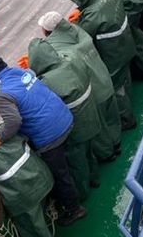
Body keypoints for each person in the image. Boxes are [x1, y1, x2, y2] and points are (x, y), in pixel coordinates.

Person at [0, 56, 86, 226]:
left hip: (49, 135)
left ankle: (74, 210)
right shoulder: (19, 71)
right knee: (71, 160)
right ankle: (88, 184)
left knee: (60, 175)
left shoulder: (0, 94)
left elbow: (13, 122)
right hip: (65, 117)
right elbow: (31, 73)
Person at [59, 0, 137, 130]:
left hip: (112, 53)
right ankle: (130, 99)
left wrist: (76, 22)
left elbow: (80, 35)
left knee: (116, 86)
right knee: (125, 77)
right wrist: (82, 12)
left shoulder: (93, 15)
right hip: (125, 43)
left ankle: (126, 120)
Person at [38, 11, 121, 161]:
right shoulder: (77, 30)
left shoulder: (56, 49)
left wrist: (39, 60)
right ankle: (117, 143)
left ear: (48, 31)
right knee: (112, 117)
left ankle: (109, 155)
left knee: (100, 129)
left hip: (94, 91)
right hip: (104, 78)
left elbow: (62, 68)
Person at [26, 35, 101, 199]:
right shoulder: (70, 61)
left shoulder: (46, 81)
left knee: (77, 160)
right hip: (91, 113)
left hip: (76, 124)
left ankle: (83, 193)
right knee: (89, 151)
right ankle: (95, 179)